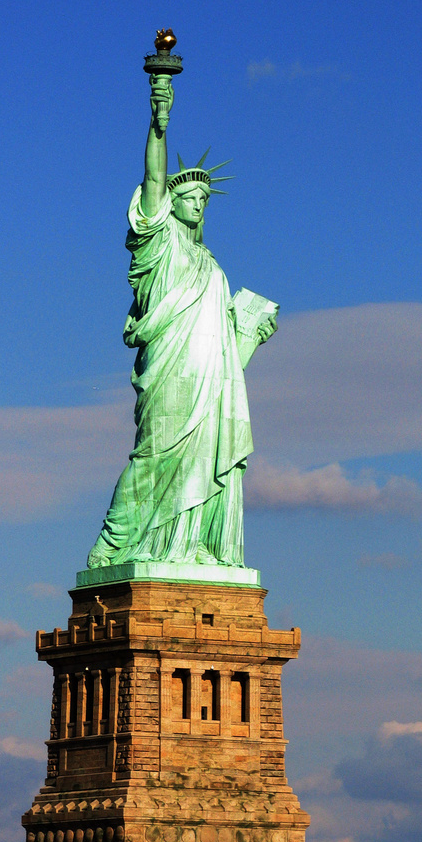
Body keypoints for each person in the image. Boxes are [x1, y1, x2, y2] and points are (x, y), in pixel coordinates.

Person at [87, 71, 277, 571]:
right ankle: (115, 545)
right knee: (153, 457)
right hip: (169, 372)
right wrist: (159, 120)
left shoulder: (211, 266)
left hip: (209, 381)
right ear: (169, 205)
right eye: (189, 197)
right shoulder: (158, 243)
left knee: (204, 456)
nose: (198, 203)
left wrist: (250, 331)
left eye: (203, 200)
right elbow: (153, 178)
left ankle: (191, 546)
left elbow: (224, 353)